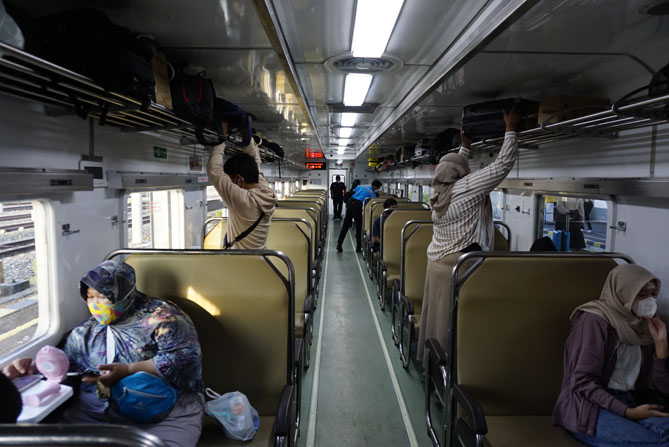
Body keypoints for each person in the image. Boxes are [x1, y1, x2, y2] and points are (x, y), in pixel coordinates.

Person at [3, 261, 204, 447]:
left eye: (104, 297)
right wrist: (35, 368)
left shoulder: (163, 319)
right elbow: (64, 366)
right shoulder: (86, 331)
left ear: (125, 293)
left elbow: (183, 360)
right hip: (95, 411)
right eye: (90, 297)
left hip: (163, 412)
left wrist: (128, 370)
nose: (96, 304)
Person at [417, 108, 521, 365]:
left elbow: (453, 166)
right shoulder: (465, 187)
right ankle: (455, 367)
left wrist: (464, 148)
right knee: (457, 320)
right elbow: (502, 165)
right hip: (458, 264)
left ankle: (432, 365)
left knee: (437, 321)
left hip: (437, 264)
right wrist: (511, 129)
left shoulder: (438, 191)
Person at [553, 264, 669, 445]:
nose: (649, 301)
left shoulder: (645, 326)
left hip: (633, 401)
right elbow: (582, 382)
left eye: (653, 294)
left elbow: (657, 388)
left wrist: (661, 344)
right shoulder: (594, 321)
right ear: (624, 293)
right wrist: (627, 412)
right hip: (590, 407)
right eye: (642, 294)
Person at [206, 134, 276, 249]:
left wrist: (222, 135)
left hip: (240, 262)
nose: (231, 184)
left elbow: (214, 169)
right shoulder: (266, 191)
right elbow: (256, 162)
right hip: (262, 258)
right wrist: (246, 135)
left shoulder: (242, 199)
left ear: (239, 179)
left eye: (231, 180)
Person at [336, 179, 383, 253]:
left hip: (351, 204)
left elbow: (352, 192)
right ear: (375, 187)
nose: (376, 190)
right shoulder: (372, 195)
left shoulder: (360, 187)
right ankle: (358, 248)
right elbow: (368, 206)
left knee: (345, 226)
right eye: (377, 188)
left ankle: (339, 244)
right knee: (358, 228)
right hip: (357, 207)